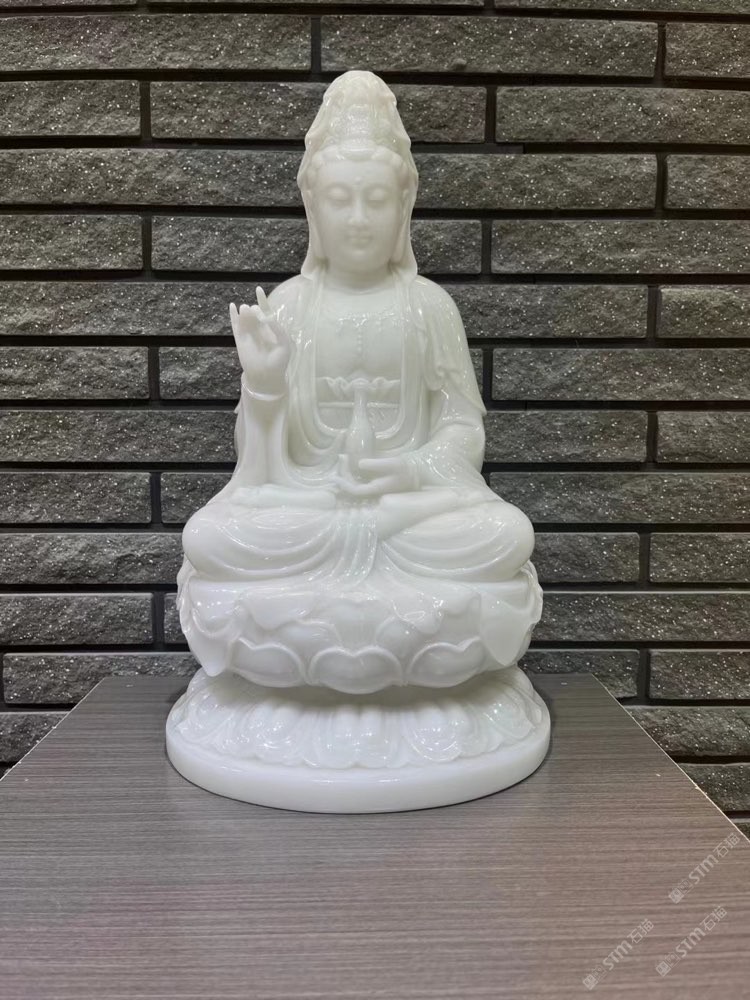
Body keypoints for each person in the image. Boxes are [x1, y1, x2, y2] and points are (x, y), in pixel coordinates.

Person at [178, 70, 542, 695]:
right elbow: (257, 473)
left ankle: (311, 637)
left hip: (406, 513)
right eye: (339, 199)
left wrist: (412, 470)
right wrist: (264, 386)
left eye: (376, 200)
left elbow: (463, 429)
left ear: (403, 208)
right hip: (310, 510)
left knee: (505, 536)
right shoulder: (288, 307)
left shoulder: (429, 306)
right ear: (312, 208)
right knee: (210, 539)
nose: (357, 218)